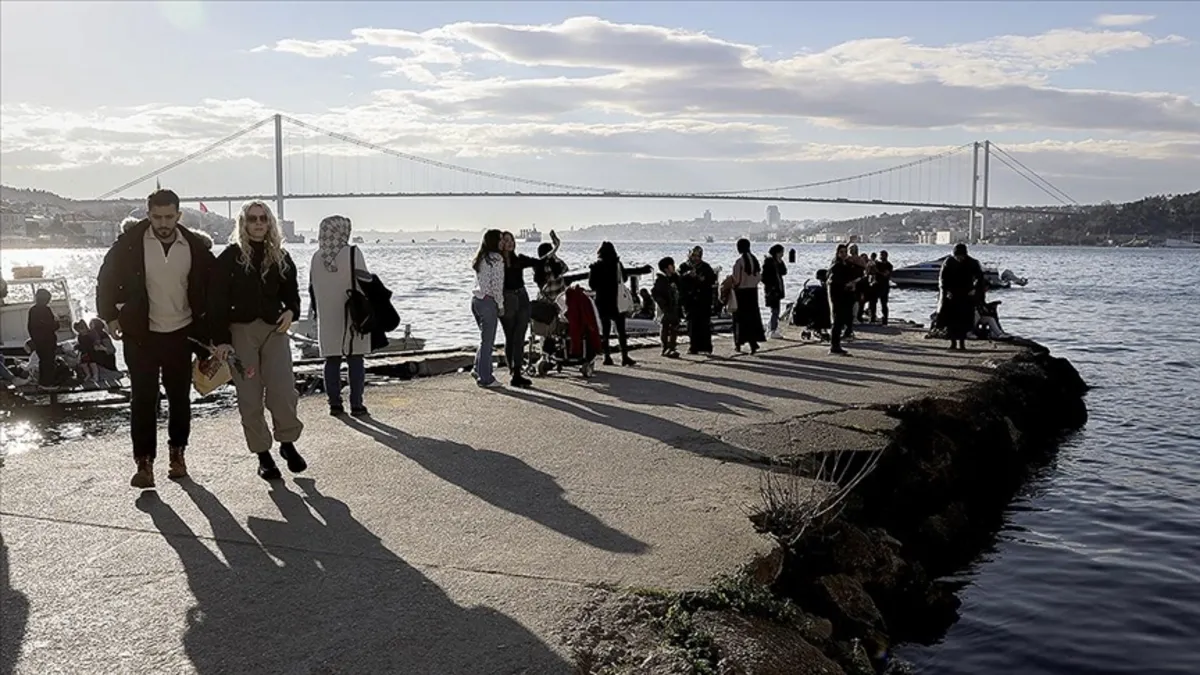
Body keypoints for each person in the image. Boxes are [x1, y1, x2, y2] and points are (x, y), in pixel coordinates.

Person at [96, 188, 216, 489]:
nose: (163, 223)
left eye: (169, 217)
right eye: (156, 216)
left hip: (180, 332)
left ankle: (177, 454)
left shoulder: (195, 247)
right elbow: (105, 279)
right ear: (148, 214)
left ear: (179, 215)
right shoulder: (129, 244)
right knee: (143, 400)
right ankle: (144, 464)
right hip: (141, 334)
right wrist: (109, 317)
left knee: (179, 399)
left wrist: (214, 334)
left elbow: (213, 287)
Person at [210, 201, 306, 481]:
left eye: (264, 218)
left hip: (274, 330)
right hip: (241, 332)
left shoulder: (281, 257)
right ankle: (263, 454)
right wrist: (220, 340)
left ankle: (287, 443)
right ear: (243, 223)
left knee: (283, 390)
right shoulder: (229, 258)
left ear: (270, 222)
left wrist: (291, 311)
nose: (258, 223)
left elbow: (292, 295)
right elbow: (215, 301)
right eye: (252, 218)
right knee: (250, 397)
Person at [309, 215, 373, 415]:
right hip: (353, 314)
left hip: (327, 316)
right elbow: (365, 282)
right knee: (356, 359)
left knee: (331, 360)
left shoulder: (316, 257)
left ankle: (334, 404)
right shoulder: (353, 253)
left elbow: (312, 288)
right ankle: (356, 404)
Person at [498, 230, 560, 388]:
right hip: (507, 299)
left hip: (522, 298)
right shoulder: (496, 262)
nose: (510, 242)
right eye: (506, 240)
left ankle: (517, 373)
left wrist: (556, 248)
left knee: (520, 336)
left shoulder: (520, 259)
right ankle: (512, 370)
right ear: (500, 243)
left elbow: (540, 261)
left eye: (511, 239)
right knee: (510, 337)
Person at [588, 241, 637, 367]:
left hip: (602, 300)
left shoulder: (595, 266)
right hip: (617, 300)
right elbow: (624, 279)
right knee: (621, 330)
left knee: (605, 330)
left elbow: (591, 285)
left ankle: (607, 357)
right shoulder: (617, 265)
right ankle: (624, 357)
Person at [471, 229, 505, 387]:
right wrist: (500, 304)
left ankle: (478, 369)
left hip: (476, 301)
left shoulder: (481, 258)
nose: (502, 242)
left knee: (484, 340)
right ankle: (486, 378)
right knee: (488, 342)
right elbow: (497, 285)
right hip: (488, 302)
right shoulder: (496, 259)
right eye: (500, 239)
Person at [938, 243, 986, 351]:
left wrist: (975, 289)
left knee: (965, 321)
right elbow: (943, 279)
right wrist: (946, 291)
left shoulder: (972, 262)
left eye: (961, 256)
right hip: (952, 295)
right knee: (951, 321)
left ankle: (962, 344)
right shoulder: (948, 262)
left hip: (966, 294)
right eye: (957, 256)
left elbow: (980, 278)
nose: (959, 258)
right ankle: (953, 343)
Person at [677, 246, 717, 355]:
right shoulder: (684, 266)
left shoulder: (705, 267)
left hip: (703, 299)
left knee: (704, 324)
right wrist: (687, 275)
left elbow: (712, 279)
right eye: (693, 255)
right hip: (689, 300)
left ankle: (706, 347)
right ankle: (693, 346)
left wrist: (702, 279)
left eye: (697, 256)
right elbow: (678, 279)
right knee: (691, 324)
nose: (694, 258)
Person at [731, 238, 766, 354]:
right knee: (752, 319)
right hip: (752, 292)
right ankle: (753, 343)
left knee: (738, 320)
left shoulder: (739, 262)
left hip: (741, 293)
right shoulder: (754, 260)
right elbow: (759, 277)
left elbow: (736, 279)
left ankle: (738, 344)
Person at [827, 244, 857, 356]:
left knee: (845, 319)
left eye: (845, 252)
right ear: (838, 253)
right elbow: (834, 282)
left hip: (845, 296)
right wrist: (846, 284)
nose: (844, 254)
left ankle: (839, 342)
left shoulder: (847, 264)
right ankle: (834, 346)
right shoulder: (836, 266)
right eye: (841, 252)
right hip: (837, 297)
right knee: (837, 321)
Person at [27, 288, 59, 387]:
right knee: (49, 362)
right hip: (48, 340)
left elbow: (30, 327)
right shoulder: (46, 310)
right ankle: (48, 383)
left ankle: (43, 382)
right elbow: (51, 326)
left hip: (38, 341)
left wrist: (35, 339)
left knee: (43, 361)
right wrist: (57, 323)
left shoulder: (32, 310)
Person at [651, 257, 682, 358]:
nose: (674, 267)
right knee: (665, 327)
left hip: (674, 307)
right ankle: (665, 347)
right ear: (666, 268)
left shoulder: (674, 278)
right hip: (665, 308)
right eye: (671, 265)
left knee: (674, 327)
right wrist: (663, 305)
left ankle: (672, 347)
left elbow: (681, 287)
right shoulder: (661, 280)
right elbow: (655, 293)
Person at [762, 244, 787, 339]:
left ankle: (771, 327)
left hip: (777, 288)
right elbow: (764, 277)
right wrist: (770, 287)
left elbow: (784, 272)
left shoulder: (778, 262)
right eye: (781, 252)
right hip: (772, 290)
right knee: (775, 310)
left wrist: (781, 262)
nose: (783, 254)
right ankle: (772, 329)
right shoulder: (768, 262)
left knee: (776, 310)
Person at [72, 319, 100, 385]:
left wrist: (96, 344)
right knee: (83, 364)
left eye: (81, 329)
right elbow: (80, 343)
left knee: (93, 364)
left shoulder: (90, 334)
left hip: (91, 351)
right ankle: (88, 375)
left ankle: (95, 376)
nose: (80, 331)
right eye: (78, 330)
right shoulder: (80, 336)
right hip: (84, 351)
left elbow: (95, 341)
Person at [870, 250, 893, 325]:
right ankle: (872, 318)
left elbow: (886, 274)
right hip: (875, 285)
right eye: (880, 255)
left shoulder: (889, 265)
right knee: (873, 303)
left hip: (884, 286)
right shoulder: (876, 263)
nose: (881, 257)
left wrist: (877, 271)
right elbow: (871, 272)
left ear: (886, 256)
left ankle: (885, 319)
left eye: (883, 255)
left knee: (884, 304)